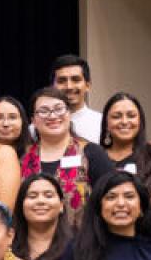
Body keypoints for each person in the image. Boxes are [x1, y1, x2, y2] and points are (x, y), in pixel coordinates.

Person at [19, 87, 113, 224]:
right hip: (32, 241)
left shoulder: (92, 153)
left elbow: (111, 198)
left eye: (59, 109)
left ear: (69, 113)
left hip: (82, 242)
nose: (52, 116)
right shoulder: (23, 157)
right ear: (33, 120)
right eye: (44, 111)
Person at [11, 173, 71, 260]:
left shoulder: (77, 248)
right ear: (21, 206)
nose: (40, 201)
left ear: (61, 206)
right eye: (32, 196)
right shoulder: (7, 247)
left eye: (48, 196)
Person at [99, 92, 151, 190]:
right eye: (116, 116)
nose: (124, 122)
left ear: (140, 122)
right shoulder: (94, 156)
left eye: (131, 116)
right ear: (106, 124)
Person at [51, 54, 101, 143]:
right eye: (61, 81)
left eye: (76, 80)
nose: (69, 86)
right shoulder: (38, 126)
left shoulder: (102, 123)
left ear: (88, 85)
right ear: (52, 86)